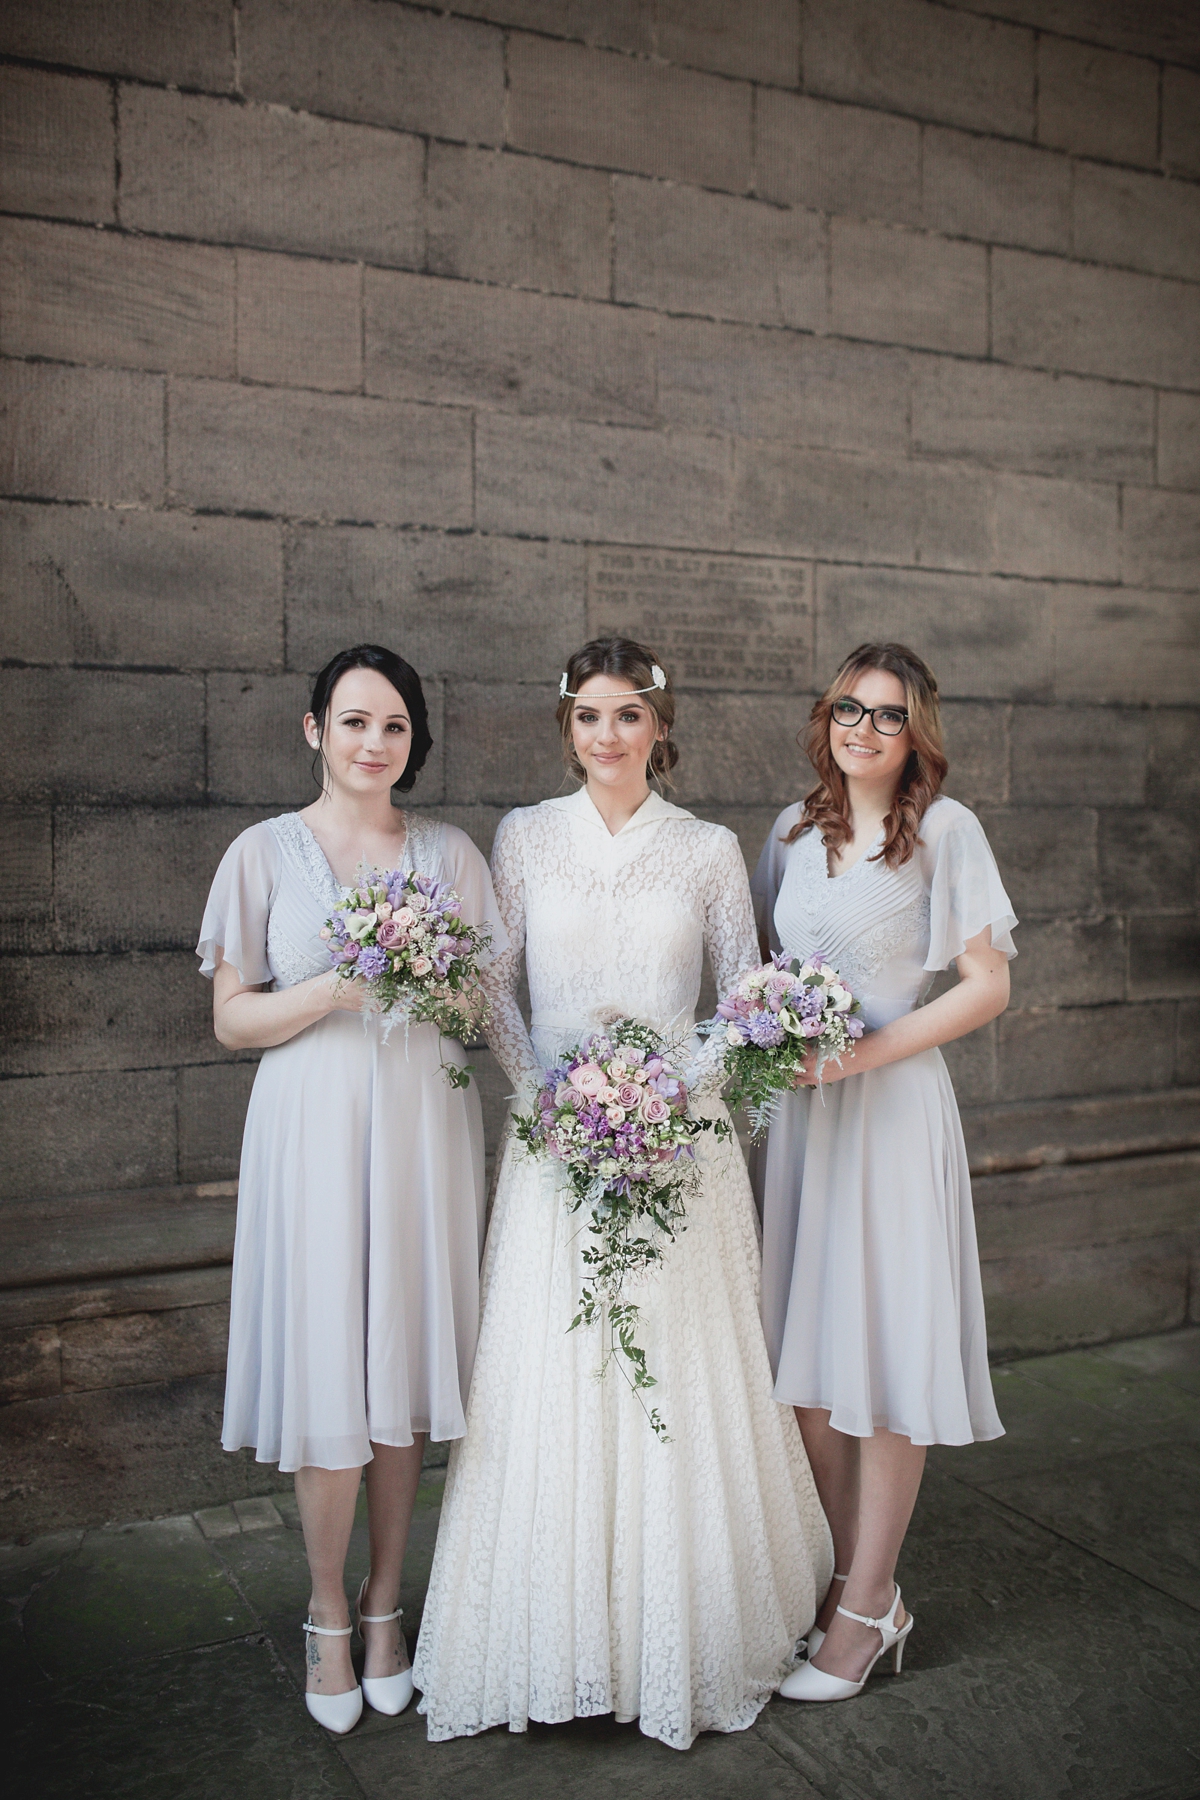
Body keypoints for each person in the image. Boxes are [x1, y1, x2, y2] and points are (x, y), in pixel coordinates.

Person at [413, 638, 833, 1752]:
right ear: (568, 728)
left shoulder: (704, 849)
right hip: (556, 1146)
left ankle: (675, 1635)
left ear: (660, 725)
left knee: (671, 1378)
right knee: (557, 1375)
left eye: (628, 716)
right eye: (589, 717)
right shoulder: (523, 837)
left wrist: (655, 1094)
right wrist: (554, 1100)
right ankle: (559, 1638)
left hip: (674, 1149)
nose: (608, 736)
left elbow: (742, 997)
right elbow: (493, 989)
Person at [196, 643, 506, 1735]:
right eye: (355, 721)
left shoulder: (454, 856)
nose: (375, 743)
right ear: (314, 728)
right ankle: (326, 1610)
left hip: (423, 1120)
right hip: (311, 1127)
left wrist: (436, 976)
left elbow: (482, 1014)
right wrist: (336, 984)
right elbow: (234, 1018)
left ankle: (387, 1603)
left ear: (413, 744)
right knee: (332, 1362)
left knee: (400, 1362)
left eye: (395, 727)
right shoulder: (262, 854)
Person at [750, 642, 1016, 1704]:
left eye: (887, 715)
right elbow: (774, 972)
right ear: (826, 717)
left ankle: (866, 1610)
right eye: (848, 709)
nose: (862, 728)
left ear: (918, 734)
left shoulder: (948, 833)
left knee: (887, 1360)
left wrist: (857, 1054)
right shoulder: (787, 830)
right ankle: (848, 1582)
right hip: (807, 1125)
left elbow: (985, 985)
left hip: (892, 1111)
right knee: (808, 1375)